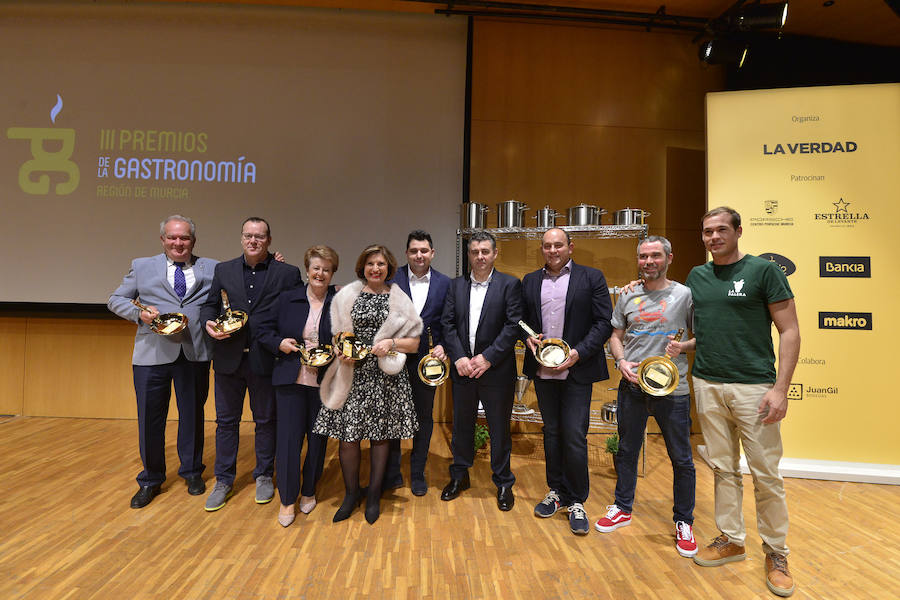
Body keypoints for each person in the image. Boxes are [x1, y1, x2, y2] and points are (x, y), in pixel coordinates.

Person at [686, 207, 800, 598]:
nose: (713, 237)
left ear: (738, 231)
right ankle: (731, 539)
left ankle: (776, 552)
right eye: (706, 232)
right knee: (722, 469)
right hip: (707, 383)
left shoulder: (764, 272)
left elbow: (789, 331)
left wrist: (780, 388)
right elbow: (711, 330)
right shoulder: (697, 277)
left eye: (721, 230)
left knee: (766, 474)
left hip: (755, 388)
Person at [597, 235, 698, 557]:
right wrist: (621, 360)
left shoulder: (685, 295)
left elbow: (703, 336)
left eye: (655, 256)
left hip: (674, 391)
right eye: (643, 256)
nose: (649, 261)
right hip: (633, 388)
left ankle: (684, 521)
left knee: (681, 459)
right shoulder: (627, 295)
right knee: (626, 451)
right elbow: (616, 335)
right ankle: (622, 507)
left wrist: (682, 347)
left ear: (669, 257)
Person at [108, 215, 217, 509]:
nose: (178, 243)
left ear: (193, 241)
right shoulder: (142, 266)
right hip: (151, 354)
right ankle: (150, 479)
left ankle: (193, 472)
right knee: (149, 420)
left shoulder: (212, 267)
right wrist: (138, 314)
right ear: (163, 240)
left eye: (184, 238)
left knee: (192, 416)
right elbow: (115, 299)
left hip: (194, 353)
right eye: (172, 238)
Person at [313, 244, 422, 524]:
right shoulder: (347, 294)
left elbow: (415, 342)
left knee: (380, 436)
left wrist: (392, 342)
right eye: (371, 263)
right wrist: (340, 349)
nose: (376, 268)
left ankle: (373, 495)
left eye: (381, 264)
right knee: (348, 438)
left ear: (389, 269)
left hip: (385, 377)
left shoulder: (400, 298)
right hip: (352, 374)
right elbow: (338, 334)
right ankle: (351, 495)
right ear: (362, 266)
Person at [199, 218, 301, 512]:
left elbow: (296, 311)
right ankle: (224, 480)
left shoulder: (288, 273)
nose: (253, 241)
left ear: (269, 240)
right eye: (248, 236)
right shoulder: (224, 269)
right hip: (229, 358)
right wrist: (208, 322)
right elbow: (210, 304)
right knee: (226, 423)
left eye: (259, 236)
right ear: (241, 238)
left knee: (266, 422)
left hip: (266, 358)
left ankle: (264, 475)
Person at [520, 228, 612, 535]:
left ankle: (577, 500)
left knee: (574, 434)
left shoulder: (592, 277)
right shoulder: (531, 281)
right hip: (544, 370)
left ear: (570, 247)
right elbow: (521, 321)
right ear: (542, 250)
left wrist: (579, 352)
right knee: (552, 432)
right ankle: (556, 491)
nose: (552, 250)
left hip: (576, 368)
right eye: (547, 246)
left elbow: (603, 322)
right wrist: (529, 339)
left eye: (558, 245)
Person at [440, 230, 522, 511]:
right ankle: (459, 476)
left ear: (495, 253)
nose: (480, 257)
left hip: (496, 371)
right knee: (461, 426)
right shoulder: (455, 286)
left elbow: (513, 326)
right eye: (475, 252)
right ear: (469, 255)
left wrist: (487, 358)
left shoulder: (510, 285)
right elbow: (447, 325)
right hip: (463, 369)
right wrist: (460, 357)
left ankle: (503, 483)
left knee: (500, 429)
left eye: (485, 251)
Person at [257, 245, 339, 527]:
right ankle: (288, 499)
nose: (321, 273)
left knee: (317, 440)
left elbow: (349, 336)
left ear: (332, 273)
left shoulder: (339, 302)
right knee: (289, 441)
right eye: (316, 268)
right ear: (307, 269)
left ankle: (309, 490)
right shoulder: (286, 299)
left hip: (324, 383)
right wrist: (279, 343)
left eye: (326, 269)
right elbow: (262, 330)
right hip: (290, 379)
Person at [384, 230, 451, 496]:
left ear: (432, 253)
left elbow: (448, 321)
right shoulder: (391, 280)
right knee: (393, 415)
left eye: (424, 250)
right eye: (414, 251)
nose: (419, 255)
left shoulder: (446, 284)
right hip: (393, 359)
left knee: (423, 418)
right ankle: (391, 472)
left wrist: (444, 344)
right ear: (407, 254)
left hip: (428, 363)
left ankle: (417, 472)